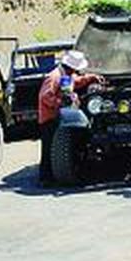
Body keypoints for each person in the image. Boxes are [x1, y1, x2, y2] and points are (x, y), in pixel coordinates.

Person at [36, 49, 103, 185]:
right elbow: (45, 97)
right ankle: (46, 178)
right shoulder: (53, 77)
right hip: (50, 118)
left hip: (59, 115)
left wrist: (91, 77)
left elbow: (76, 82)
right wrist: (60, 103)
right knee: (49, 148)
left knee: (55, 146)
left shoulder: (66, 75)